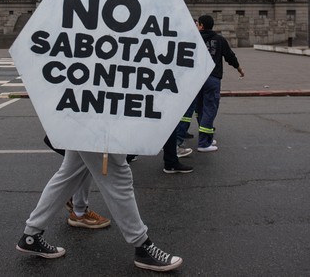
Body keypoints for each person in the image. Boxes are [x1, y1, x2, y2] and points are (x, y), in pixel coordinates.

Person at [16, 150, 183, 271]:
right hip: (96, 117)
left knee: (70, 173)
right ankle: (142, 245)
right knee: (118, 177)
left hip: (83, 115)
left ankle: (31, 234)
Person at [195, 15, 244, 152]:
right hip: (212, 78)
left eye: (198, 24)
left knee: (200, 108)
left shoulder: (195, 39)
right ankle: (204, 143)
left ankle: (207, 137)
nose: (197, 26)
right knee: (210, 108)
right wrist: (239, 68)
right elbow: (230, 56)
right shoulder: (219, 40)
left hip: (196, 79)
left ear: (202, 26)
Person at [42, 135, 111, 228]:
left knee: (81, 166)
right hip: (83, 131)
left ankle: (78, 209)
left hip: (80, 130)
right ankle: (79, 212)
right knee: (77, 168)